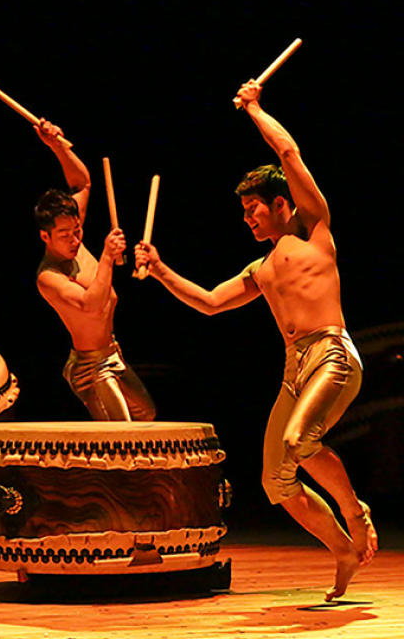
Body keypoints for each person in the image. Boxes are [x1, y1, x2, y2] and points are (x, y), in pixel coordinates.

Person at [134, 80, 377, 601]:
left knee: (298, 443)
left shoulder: (314, 230)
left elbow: (287, 151)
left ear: (281, 203)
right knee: (275, 481)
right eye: (244, 213)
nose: (247, 220)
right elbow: (209, 301)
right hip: (295, 367)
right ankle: (343, 549)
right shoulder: (261, 267)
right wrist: (158, 270)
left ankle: (356, 514)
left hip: (333, 352)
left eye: (254, 211)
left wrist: (255, 109)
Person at [34, 119, 155, 421]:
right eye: (65, 235)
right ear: (45, 236)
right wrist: (106, 256)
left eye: (77, 231)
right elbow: (91, 305)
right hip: (89, 367)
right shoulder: (49, 277)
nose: (75, 239)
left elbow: (82, 183)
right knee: (122, 438)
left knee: (147, 415)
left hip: (113, 354)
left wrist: (57, 146)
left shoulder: (73, 231)